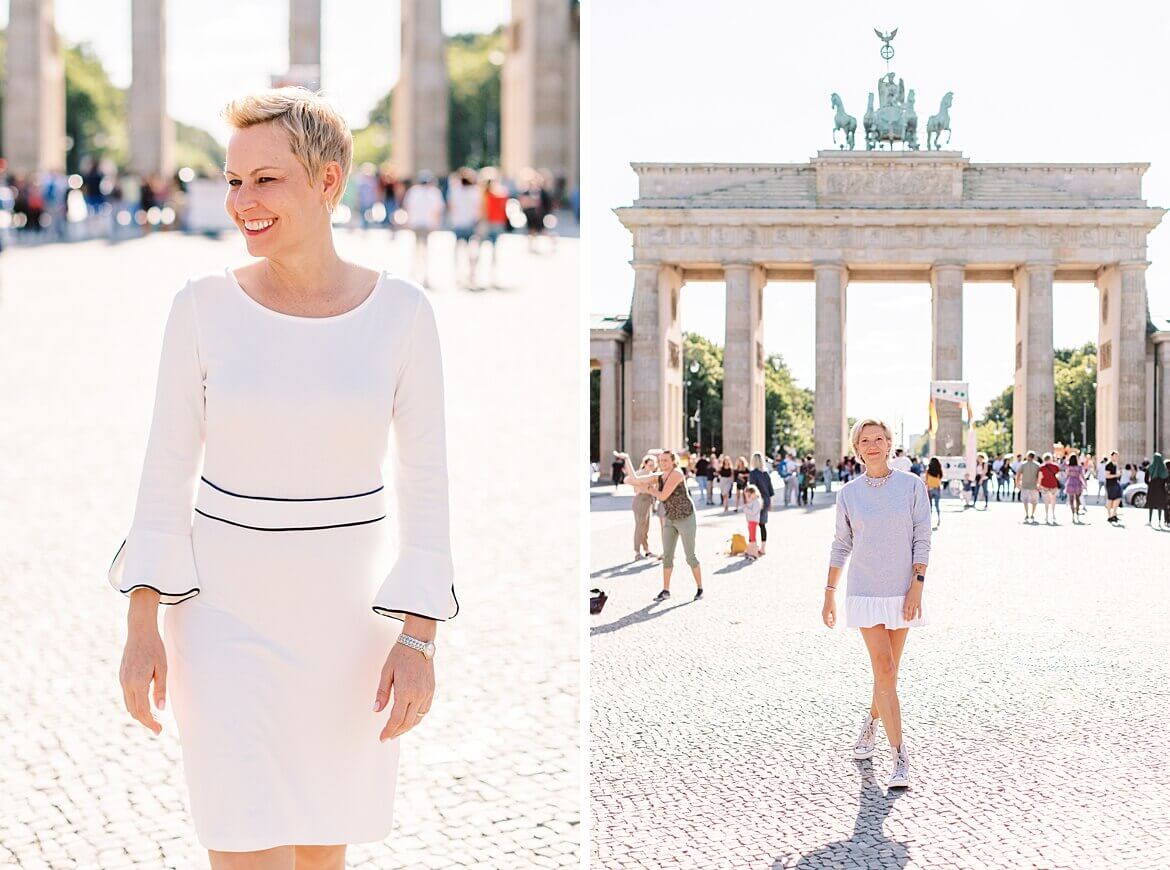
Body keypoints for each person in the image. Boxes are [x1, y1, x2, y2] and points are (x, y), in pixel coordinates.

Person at [110, 87, 455, 868]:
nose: (243, 202)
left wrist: (420, 640)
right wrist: (141, 627)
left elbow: (427, 489)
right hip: (221, 623)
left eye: (266, 180)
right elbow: (164, 474)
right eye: (234, 181)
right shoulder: (199, 307)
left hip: (348, 631)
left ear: (328, 181)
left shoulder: (402, 314)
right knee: (240, 845)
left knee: (321, 855)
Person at [822, 418, 930, 790]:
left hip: (902, 591)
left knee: (889, 674)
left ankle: (870, 723)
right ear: (857, 447)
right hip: (865, 591)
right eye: (865, 440)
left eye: (879, 439)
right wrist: (829, 592)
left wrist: (917, 585)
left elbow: (922, 537)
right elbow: (841, 544)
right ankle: (900, 756)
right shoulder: (848, 494)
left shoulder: (912, 485)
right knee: (883, 666)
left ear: (889, 444)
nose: (872, 445)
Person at [627, 450, 703, 602]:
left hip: (685, 517)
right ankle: (666, 590)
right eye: (661, 460)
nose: (663, 463)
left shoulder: (677, 474)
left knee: (690, 556)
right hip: (670, 518)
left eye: (666, 460)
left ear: (673, 461)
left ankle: (700, 588)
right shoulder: (659, 475)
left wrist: (647, 487)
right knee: (667, 556)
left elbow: (662, 496)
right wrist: (627, 458)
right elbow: (632, 479)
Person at [401, 170, 444, 286]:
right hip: (427, 224)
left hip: (416, 223)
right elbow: (437, 210)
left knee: (416, 248)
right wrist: (436, 224)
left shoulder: (413, 191)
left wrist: (408, 221)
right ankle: (423, 275)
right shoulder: (434, 192)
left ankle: (415, 273)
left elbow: (407, 206)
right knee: (425, 249)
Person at [446, 167, 482, 287]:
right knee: (470, 250)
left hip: (458, 223)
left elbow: (451, 206)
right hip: (470, 223)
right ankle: (472, 273)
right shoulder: (475, 191)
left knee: (457, 250)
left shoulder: (455, 191)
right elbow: (478, 209)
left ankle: (458, 274)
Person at [622, 453, 659, 559]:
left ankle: (647, 550)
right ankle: (637, 552)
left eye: (653, 465)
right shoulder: (640, 473)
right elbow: (630, 481)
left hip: (648, 501)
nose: (652, 466)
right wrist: (641, 488)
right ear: (645, 464)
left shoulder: (651, 473)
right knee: (640, 527)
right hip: (641, 500)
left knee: (645, 527)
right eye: (650, 465)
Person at [749, 452, 775, 556]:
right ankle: (763, 548)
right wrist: (770, 504)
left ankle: (753, 548)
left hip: (756, 501)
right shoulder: (766, 473)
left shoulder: (753, 473)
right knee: (762, 525)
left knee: (753, 524)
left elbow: (752, 489)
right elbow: (770, 490)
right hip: (766, 500)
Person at [1145, 452, 1170, 528]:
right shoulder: (1164, 469)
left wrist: (1150, 484)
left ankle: (1150, 521)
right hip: (1161, 488)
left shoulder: (1150, 467)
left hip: (1152, 488)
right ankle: (1159, 522)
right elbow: (1167, 479)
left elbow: (1146, 479)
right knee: (1160, 505)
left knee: (1151, 505)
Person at [1016, 450, 1041, 523]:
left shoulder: (1023, 464)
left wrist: (1017, 483)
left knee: (1025, 500)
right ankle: (1032, 514)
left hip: (1025, 485)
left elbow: (1018, 474)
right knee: (1034, 501)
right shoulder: (1038, 465)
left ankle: (1027, 514)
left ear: (1028, 456)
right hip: (1034, 486)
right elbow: (1039, 476)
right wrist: (1039, 484)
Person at [1038, 452, 1061, 524]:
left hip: (1044, 484)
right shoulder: (1056, 466)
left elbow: (1040, 477)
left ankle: (1046, 515)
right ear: (1050, 458)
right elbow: (1058, 476)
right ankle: (1053, 514)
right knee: (1053, 500)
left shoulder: (1041, 467)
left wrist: (1038, 485)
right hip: (1053, 485)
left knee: (1046, 501)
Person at [1064, 453, 1086, 523]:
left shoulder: (1068, 467)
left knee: (1071, 500)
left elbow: (1066, 475)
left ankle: (1073, 513)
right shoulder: (1079, 467)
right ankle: (1077, 512)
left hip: (1070, 482)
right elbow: (1082, 476)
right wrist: (1085, 484)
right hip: (1077, 482)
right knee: (1077, 499)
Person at [743, 484, 763, 559]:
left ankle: (755, 554)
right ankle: (750, 552)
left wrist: (745, 509)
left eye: (749, 495)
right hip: (750, 521)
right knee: (751, 538)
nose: (748, 497)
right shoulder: (753, 501)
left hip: (753, 521)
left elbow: (753, 512)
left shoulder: (756, 502)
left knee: (753, 538)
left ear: (754, 493)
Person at [925, 457, 944, 528]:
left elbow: (926, 481)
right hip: (937, 489)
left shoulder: (928, 471)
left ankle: (929, 522)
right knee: (937, 506)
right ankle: (939, 519)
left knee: (930, 507)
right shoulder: (939, 471)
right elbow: (940, 479)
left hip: (929, 490)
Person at [1105, 452, 1123, 524]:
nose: (1116, 457)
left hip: (1115, 483)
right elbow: (1107, 476)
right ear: (1111, 456)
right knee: (1110, 499)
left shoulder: (1115, 465)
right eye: (1115, 456)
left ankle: (1114, 514)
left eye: (1117, 456)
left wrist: (1118, 474)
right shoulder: (1108, 465)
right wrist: (1116, 475)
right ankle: (1109, 515)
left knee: (1118, 498)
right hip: (1110, 484)